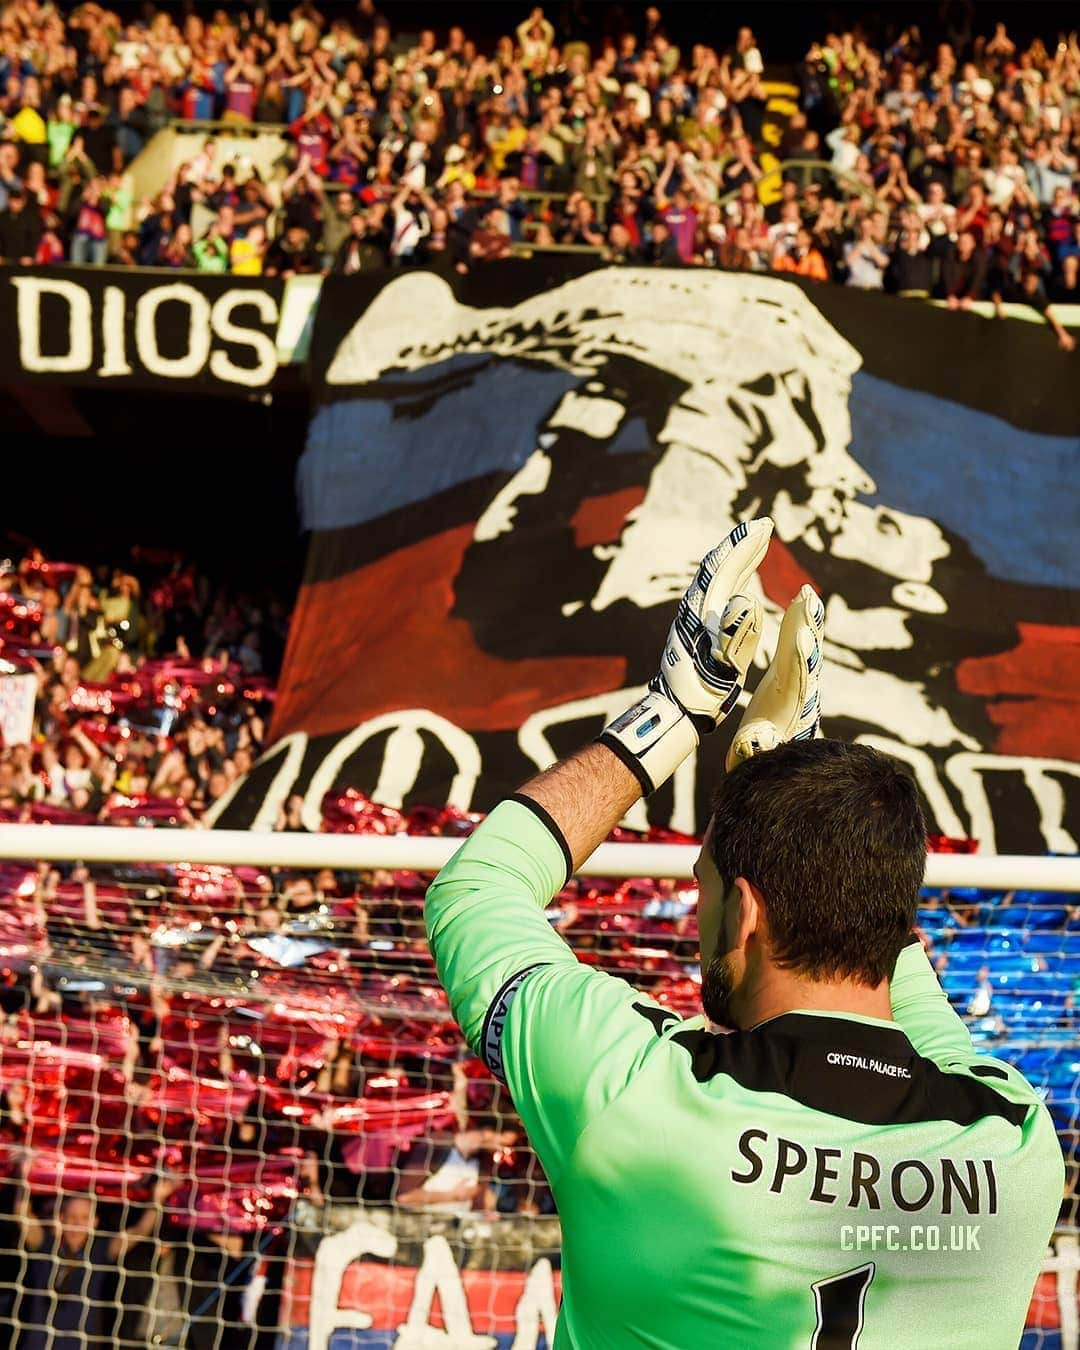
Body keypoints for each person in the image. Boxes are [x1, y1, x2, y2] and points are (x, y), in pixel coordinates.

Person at [425, 518, 1062, 1347]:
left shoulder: (633, 1089)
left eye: (707, 893)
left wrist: (676, 711)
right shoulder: (1013, 1142)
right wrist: (792, 792)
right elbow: (906, 983)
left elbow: (478, 889)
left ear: (748, 911)